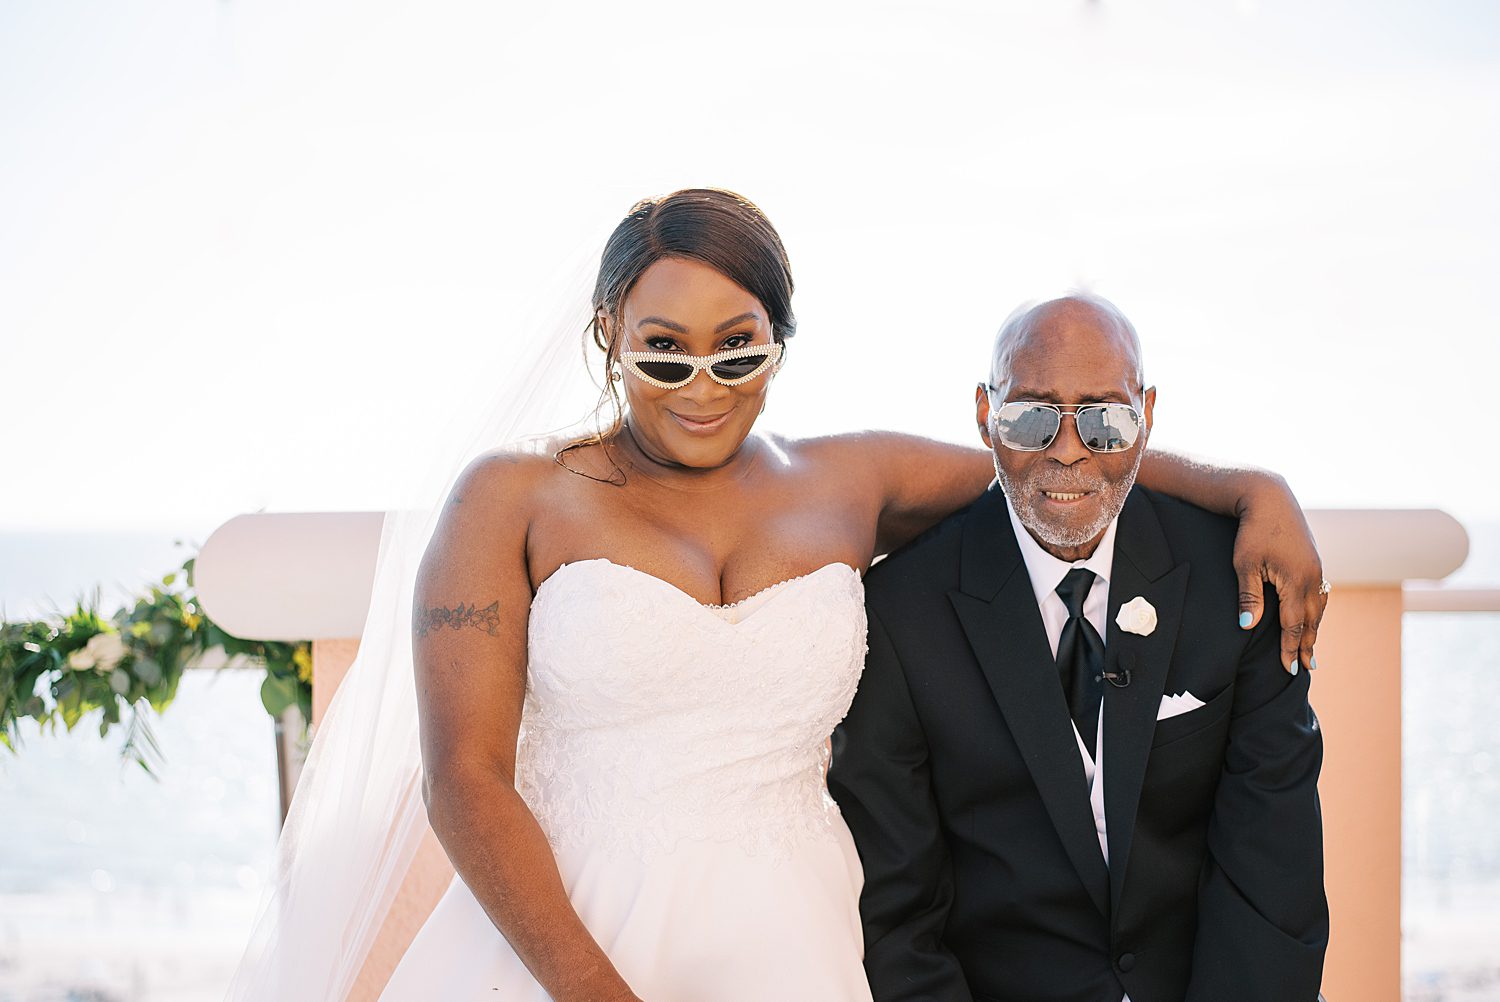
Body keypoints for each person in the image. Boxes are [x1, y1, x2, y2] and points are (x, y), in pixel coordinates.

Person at [368, 191, 1328, 1001]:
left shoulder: (849, 484)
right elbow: (464, 778)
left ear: (778, 346)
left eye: (737, 349)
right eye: (665, 352)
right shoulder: (509, 499)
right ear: (610, 338)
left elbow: (1051, 457)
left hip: (798, 939)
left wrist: (1251, 488)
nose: (702, 385)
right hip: (572, 929)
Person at [827, 294, 1328, 1002]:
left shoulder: (1235, 586)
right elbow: (898, 916)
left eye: (1105, 418)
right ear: (984, 414)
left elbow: (1273, 875)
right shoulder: (903, 614)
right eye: (1031, 416)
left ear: (1146, 416)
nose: (1067, 450)